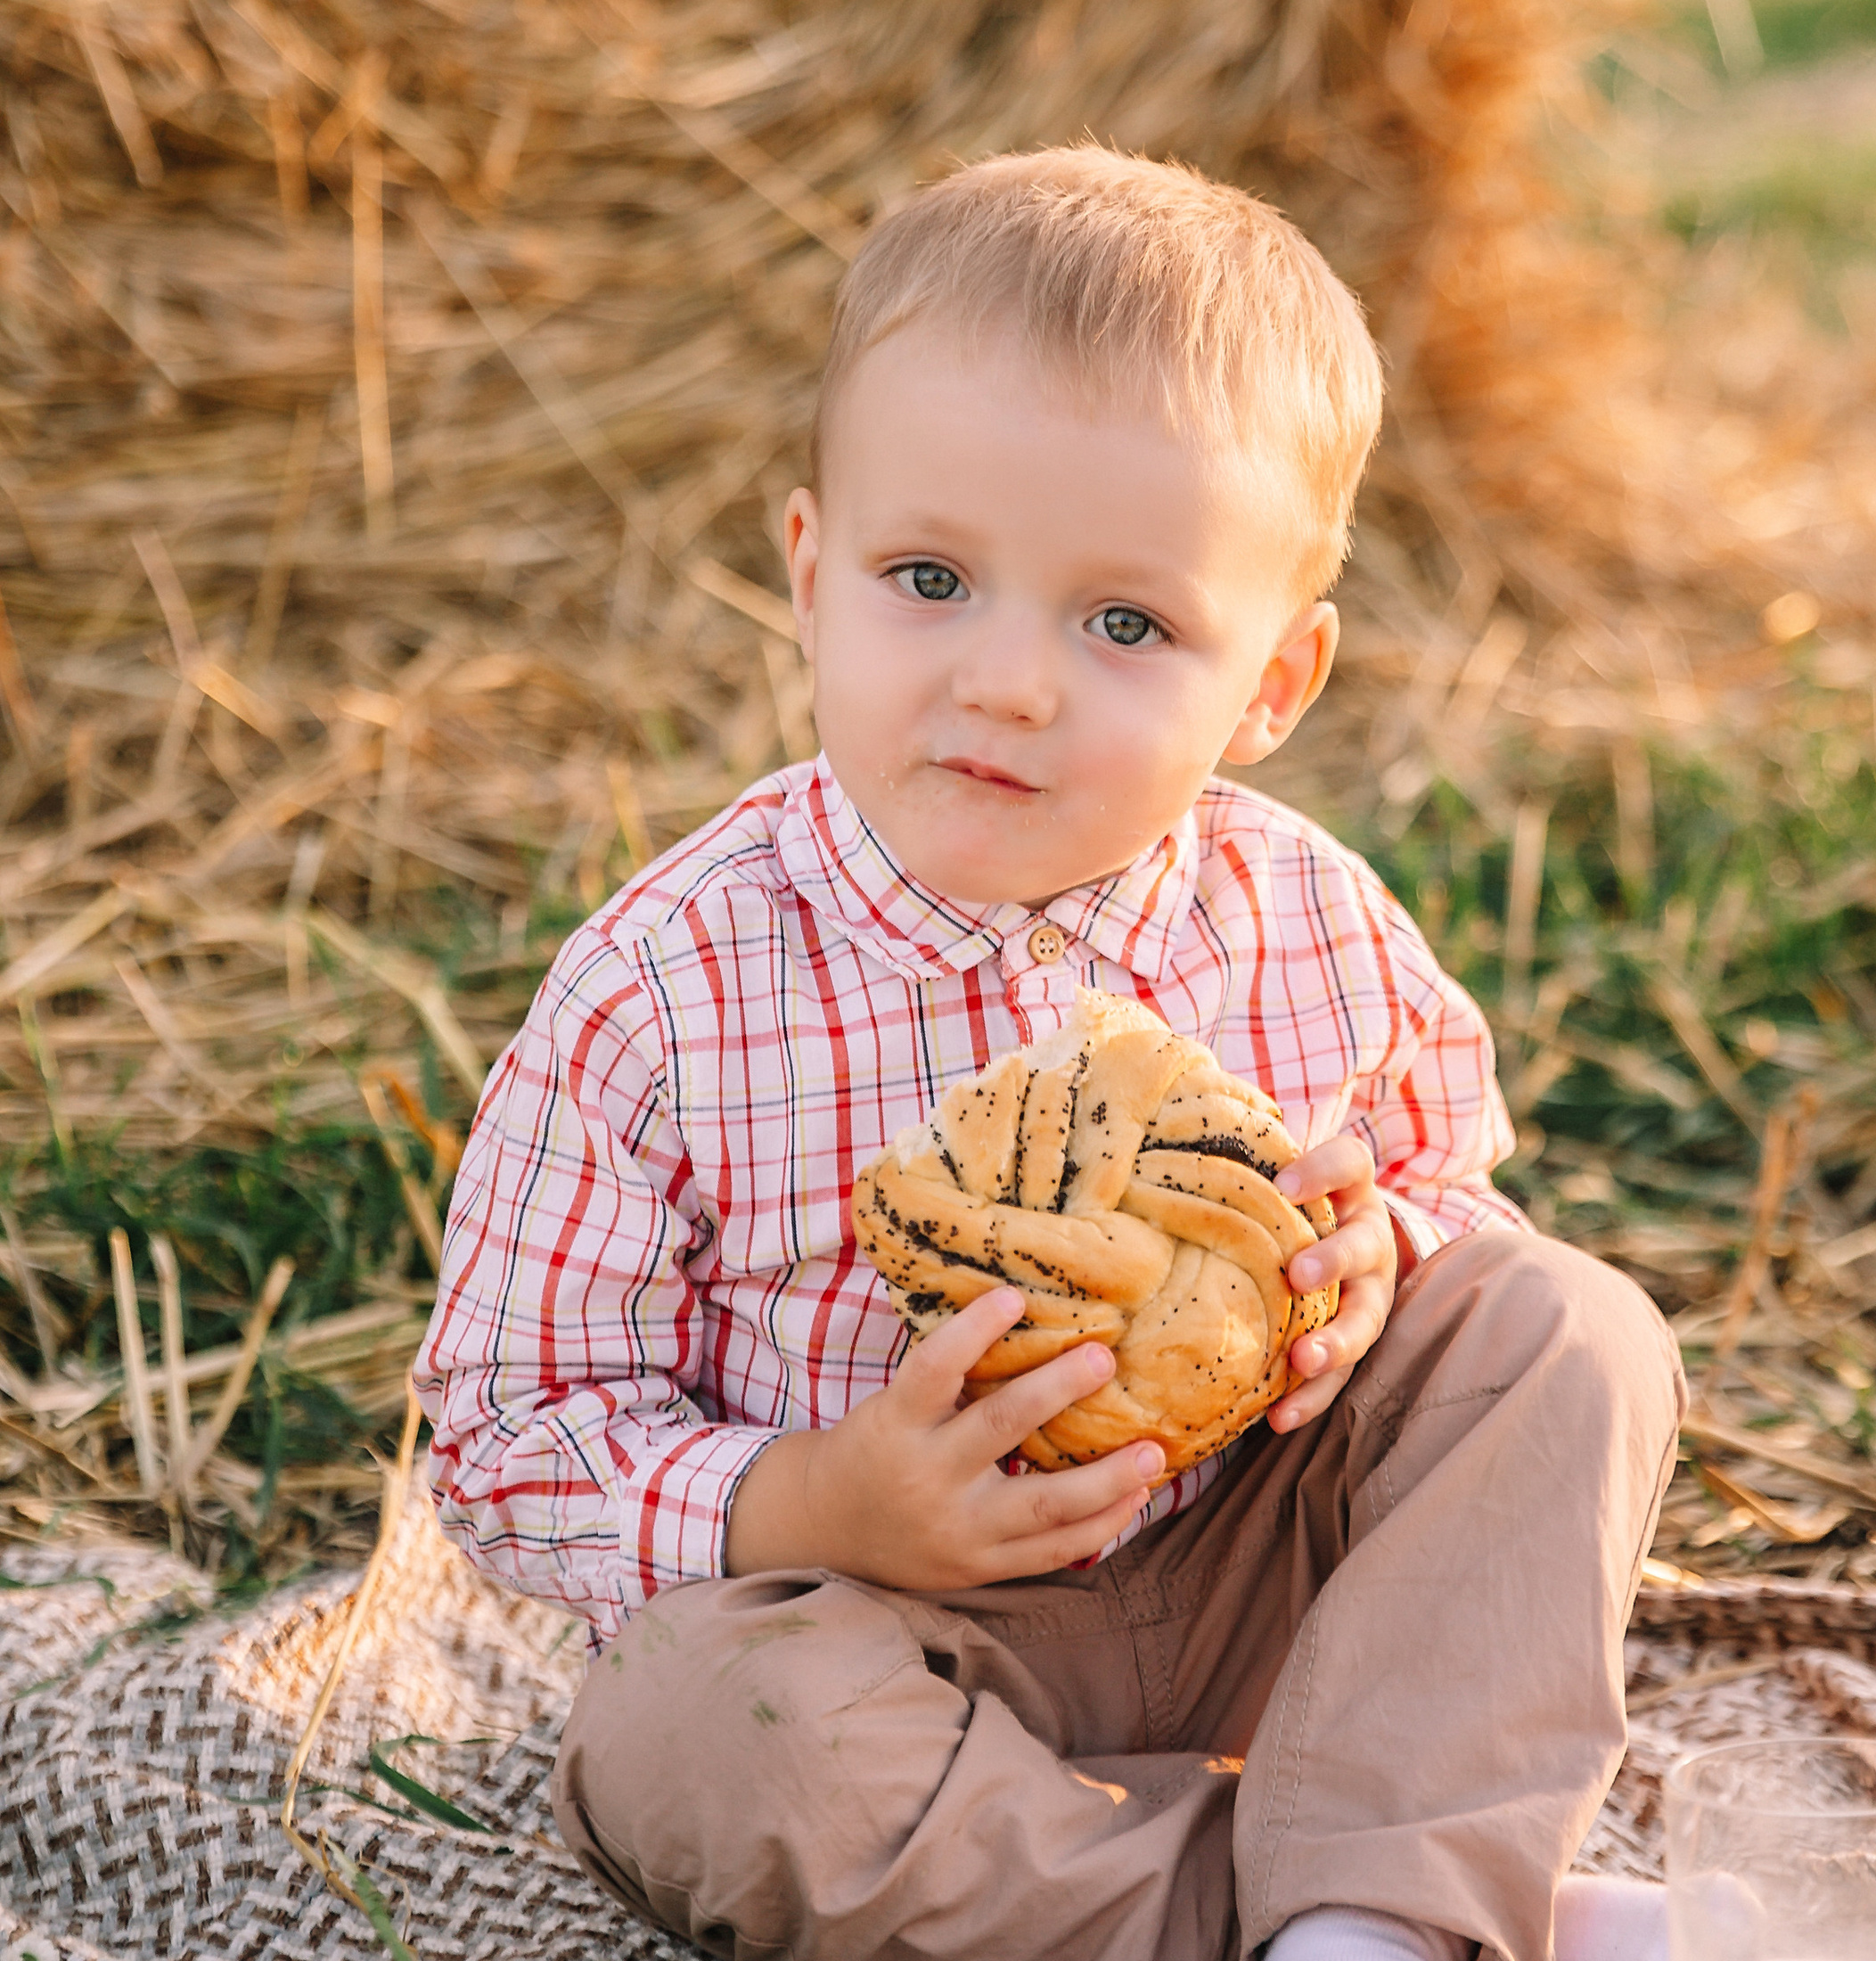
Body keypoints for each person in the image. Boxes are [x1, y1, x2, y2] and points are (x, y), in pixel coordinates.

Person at [416, 146, 1683, 1961]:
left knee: (1567, 1325)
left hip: (1253, 1575)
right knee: (689, 1733)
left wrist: (1357, 1265)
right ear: (805, 569)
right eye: (927, 575)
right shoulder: (664, 987)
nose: (1007, 679)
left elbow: (1431, 1186)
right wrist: (816, 1498)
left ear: (1271, 682)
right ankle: (1377, 1907)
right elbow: (508, 1433)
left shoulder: (1302, 915)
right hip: (887, 1642)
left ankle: (1370, 1883)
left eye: (1122, 623)